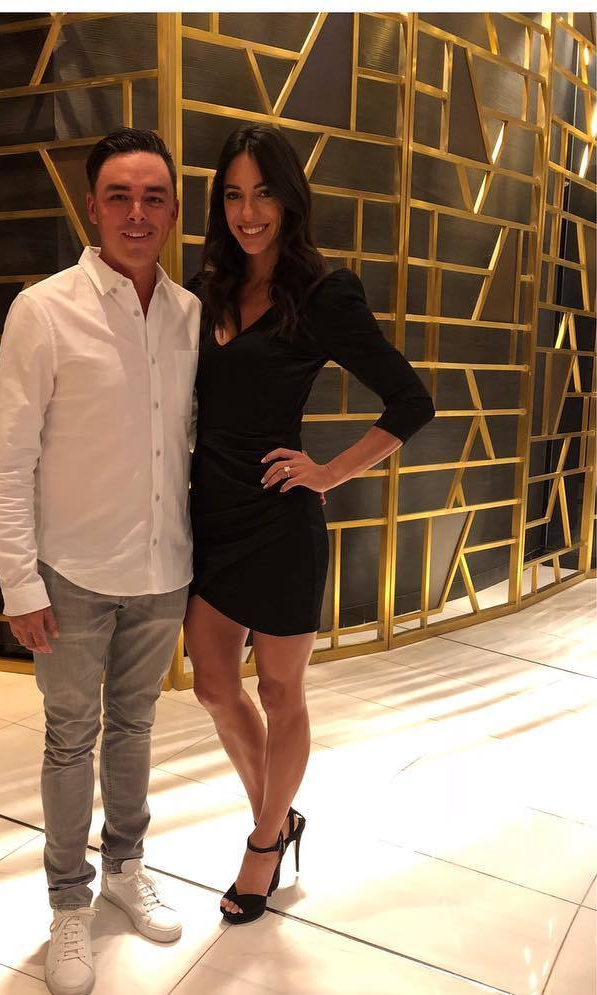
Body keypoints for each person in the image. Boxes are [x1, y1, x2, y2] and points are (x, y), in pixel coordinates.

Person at [185, 124, 435, 924]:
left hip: (279, 522)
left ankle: (263, 844)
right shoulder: (206, 291)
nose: (248, 212)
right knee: (214, 685)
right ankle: (281, 813)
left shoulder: (324, 294)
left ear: (290, 199)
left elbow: (411, 401)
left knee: (279, 689)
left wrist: (328, 472)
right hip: (212, 514)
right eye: (233, 195)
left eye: (263, 193)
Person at [0, 128, 201, 995]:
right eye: (119, 195)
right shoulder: (43, 310)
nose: (136, 213)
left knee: (136, 728)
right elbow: (9, 460)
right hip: (71, 572)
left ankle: (125, 869)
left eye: (153, 197)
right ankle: (67, 904)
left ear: (173, 210)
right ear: (91, 207)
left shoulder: (190, 316)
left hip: (162, 569)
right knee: (70, 739)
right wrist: (20, 583)